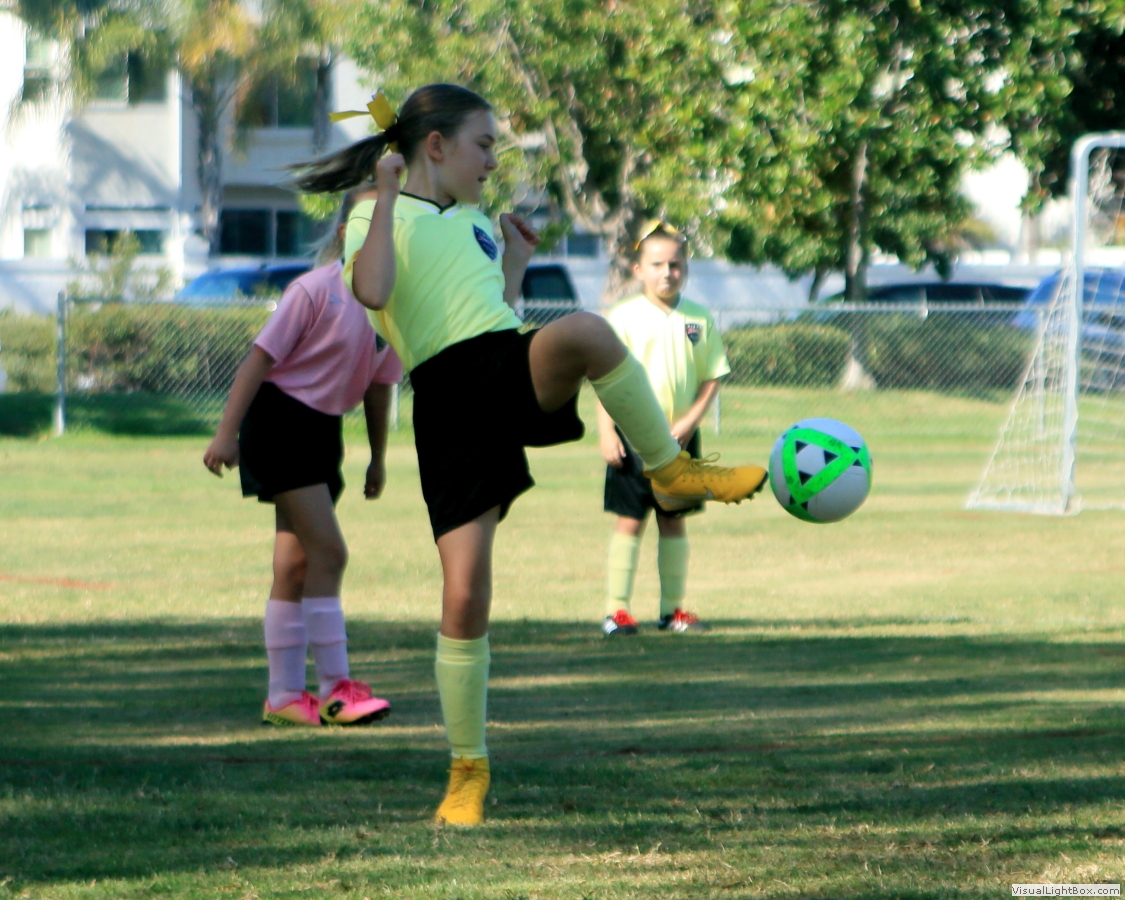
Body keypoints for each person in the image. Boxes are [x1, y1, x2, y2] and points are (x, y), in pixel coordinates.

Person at [292, 84, 768, 825]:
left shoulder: (477, 223)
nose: (492, 161)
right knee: (464, 595)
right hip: (448, 401)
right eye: (483, 145)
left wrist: (511, 260)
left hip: (504, 364)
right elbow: (373, 291)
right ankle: (466, 772)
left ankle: (670, 467)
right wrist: (382, 197)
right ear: (436, 146)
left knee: (585, 331)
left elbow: (498, 316)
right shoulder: (373, 215)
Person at [202, 184, 402, 729]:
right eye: (368, 221)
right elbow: (257, 359)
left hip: (321, 430)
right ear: (343, 233)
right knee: (329, 553)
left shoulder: (393, 308)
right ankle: (336, 690)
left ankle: (284, 697)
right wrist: (225, 434)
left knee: (294, 565)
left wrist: (377, 458)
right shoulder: (315, 290)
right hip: (278, 421)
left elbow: (379, 387)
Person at [599, 220, 730, 637]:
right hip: (632, 439)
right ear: (638, 269)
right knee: (629, 521)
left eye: (675, 264)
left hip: (680, 441)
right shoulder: (623, 317)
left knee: (673, 521)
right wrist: (606, 432)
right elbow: (603, 379)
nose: (667, 272)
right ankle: (616, 611)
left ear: (685, 268)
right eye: (657, 264)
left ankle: (672, 610)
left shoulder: (699, 318)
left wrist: (690, 422)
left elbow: (713, 376)